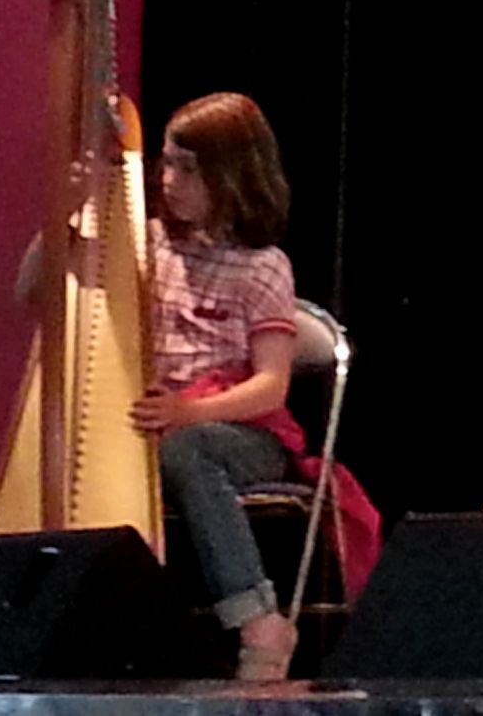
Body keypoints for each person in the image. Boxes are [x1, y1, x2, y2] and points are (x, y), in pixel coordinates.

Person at [131, 92, 303, 680]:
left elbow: (270, 389)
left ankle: (258, 618)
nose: (168, 181)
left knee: (187, 450)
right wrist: (70, 211)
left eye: (188, 169)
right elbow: (32, 286)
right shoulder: (149, 245)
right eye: (166, 163)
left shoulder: (263, 266)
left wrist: (188, 411)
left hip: (241, 433)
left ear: (232, 175)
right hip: (163, 422)